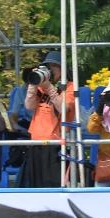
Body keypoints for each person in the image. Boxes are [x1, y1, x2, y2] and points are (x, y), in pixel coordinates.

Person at [19, 51, 74, 188]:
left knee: (53, 184)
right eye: (48, 65)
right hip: (36, 141)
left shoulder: (70, 87)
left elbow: (63, 109)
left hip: (56, 142)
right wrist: (33, 84)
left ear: (62, 69)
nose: (51, 69)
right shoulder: (40, 86)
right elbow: (29, 106)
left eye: (54, 66)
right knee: (35, 184)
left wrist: (49, 87)